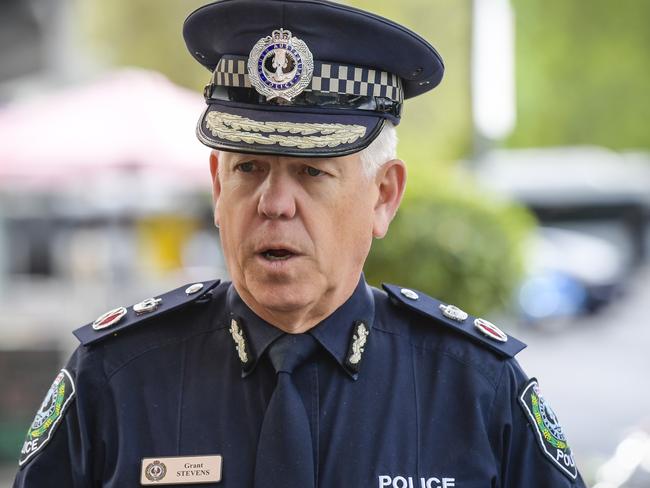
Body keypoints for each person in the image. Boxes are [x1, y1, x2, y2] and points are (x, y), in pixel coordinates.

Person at [14, 0, 587, 486]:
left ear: (383, 196)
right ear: (217, 185)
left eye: (312, 172)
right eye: (250, 170)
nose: (274, 203)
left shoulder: (474, 388)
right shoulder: (116, 378)